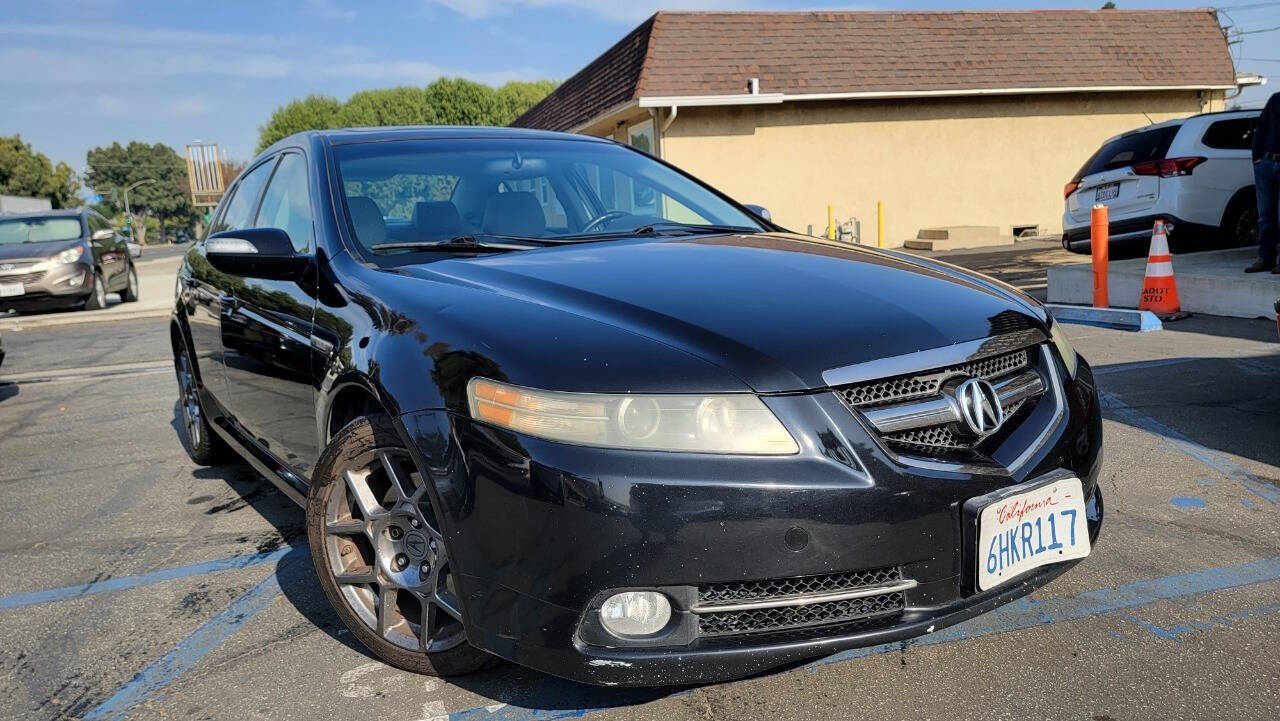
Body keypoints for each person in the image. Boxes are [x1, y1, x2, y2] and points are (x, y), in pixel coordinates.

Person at [1246, 91, 1280, 273]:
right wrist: (1257, 158)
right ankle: (1265, 257)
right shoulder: (1275, 99)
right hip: (1267, 163)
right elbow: (1261, 129)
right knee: (1265, 215)